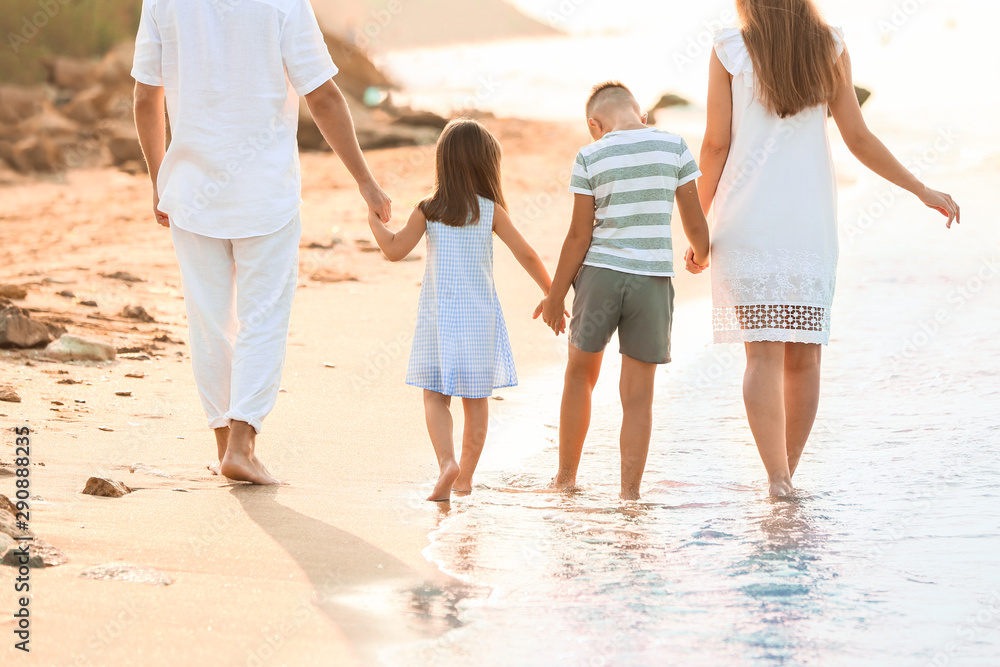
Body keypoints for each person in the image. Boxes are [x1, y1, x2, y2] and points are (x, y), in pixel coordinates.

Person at [694, 0, 960, 497]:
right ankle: (786, 481)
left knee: (762, 357)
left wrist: (697, 229)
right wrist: (921, 188)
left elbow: (714, 144)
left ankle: (777, 478)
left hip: (746, 218)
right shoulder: (829, 44)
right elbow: (858, 137)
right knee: (805, 357)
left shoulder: (730, 47)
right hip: (808, 220)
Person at [131, 0, 392, 485]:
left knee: (209, 321)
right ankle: (242, 446)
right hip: (264, 194)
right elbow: (325, 97)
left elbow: (148, 95)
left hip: (191, 191)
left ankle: (222, 444)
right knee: (262, 318)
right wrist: (366, 182)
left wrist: (157, 179)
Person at [537, 82, 711, 501]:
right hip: (651, 280)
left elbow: (579, 235)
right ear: (643, 116)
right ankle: (630, 496)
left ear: (594, 124)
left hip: (600, 276)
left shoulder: (590, 154)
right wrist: (700, 256)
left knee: (580, 375)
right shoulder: (674, 147)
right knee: (638, 396)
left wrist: (556, 294)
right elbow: (694, 221)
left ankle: (565, 480)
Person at [366, 119, 555, 502]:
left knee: (435, 396)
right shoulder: (490, 211)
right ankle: (465, 478)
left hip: (439, 319)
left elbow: (393, 250)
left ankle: (446, 463)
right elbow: (527, 253)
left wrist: (374, 220)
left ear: (443, 162)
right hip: (479, 320)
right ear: (486, 165)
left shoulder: (429, 209)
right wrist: (552, 294)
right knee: (476, 401)